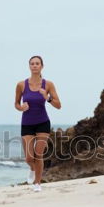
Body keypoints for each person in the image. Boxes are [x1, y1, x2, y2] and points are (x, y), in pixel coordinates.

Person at [14, 55, 61, 192]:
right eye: (32, 63)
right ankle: (33, 168)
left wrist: (47, 98)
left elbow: (58, 105)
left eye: (37, 63)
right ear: (29, 66)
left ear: (42, 66)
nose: (34, 65)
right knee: (29, 157)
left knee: (38, 155)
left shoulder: (49, 84)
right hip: (27, 123)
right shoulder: (21, 85)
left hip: (42, 122)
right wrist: (21, 108)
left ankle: (37, 183)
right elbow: (16, 103)